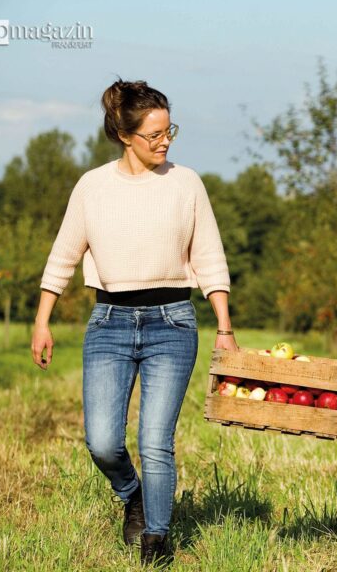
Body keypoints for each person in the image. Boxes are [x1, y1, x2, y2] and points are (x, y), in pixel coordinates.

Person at [30, 79, 237, 567]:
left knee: (155, 442)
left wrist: (224, 328)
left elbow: (209, 257)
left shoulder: (185, 183)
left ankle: (156, 544)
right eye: (154, 135)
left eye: (170, 131)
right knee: (102, 441)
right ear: (125, 135)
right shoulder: (92, 187)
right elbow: (63, 255)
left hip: (173, 321)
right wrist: (43, 321)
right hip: (110, 323)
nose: (165, 142)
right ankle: (135, 495)